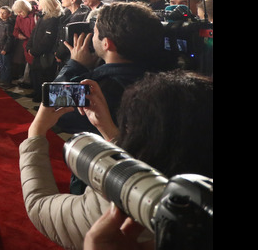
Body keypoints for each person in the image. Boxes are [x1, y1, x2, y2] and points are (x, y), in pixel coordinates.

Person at [20, 70, 213, 249]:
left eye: (130, 127)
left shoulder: (118, 206)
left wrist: (36, 133)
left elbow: (39, 203)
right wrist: (108, 128)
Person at [54, 2, 163, 135]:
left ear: (107, 44)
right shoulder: (156, 77)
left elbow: (54, 105)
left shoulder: (99, 88)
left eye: (94, 32)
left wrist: (75, 64)